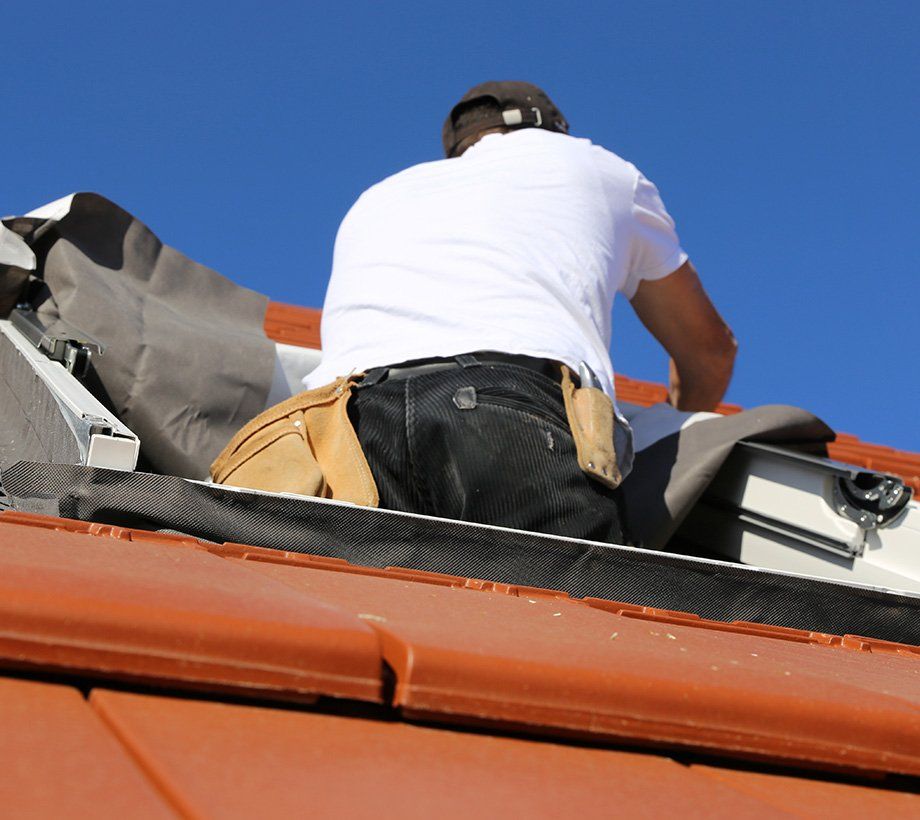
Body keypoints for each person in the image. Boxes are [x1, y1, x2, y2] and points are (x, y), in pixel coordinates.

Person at [303, 81, 736, 544]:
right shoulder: (595, 168)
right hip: (504, 408)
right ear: (553, 129)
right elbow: (709, 351)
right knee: (564, 611)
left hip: (341, 428)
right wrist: (676, 429)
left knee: (380, 611)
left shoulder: (381, 194)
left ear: (460, 147)